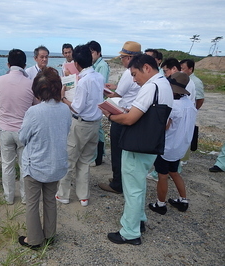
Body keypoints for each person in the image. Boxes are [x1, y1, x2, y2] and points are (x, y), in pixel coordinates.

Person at [100, 54, 173, 245]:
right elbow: (165, 123)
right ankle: (139, 220)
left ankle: (130, 232)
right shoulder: (165, 84)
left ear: (147, 68)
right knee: (138, 184)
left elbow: (131, 119)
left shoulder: (150, 86)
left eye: (134, 74)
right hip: (150, 145)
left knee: (132, 188)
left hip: (137, 145)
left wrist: (111, 115)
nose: (133, 79)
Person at [18, 67, 71, 250]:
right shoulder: (65, 109)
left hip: (36, 165)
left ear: (38, 90)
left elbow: (23, 137)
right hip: (56, 163)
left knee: (32, 204)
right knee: (50, 201)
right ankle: (49, 236)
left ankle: (33, 239)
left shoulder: (34, 112)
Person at [56, 44, 104, 207]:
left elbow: (77, 107)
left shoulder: (84, 82)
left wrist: (63, 98)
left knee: (69, 159)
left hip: (81, 124)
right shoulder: (98, 77)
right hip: (95, 124)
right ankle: (83, 196)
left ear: (76, 63)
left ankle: (63, 194)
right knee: (85, 161)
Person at [148, 72, 197, 215]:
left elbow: (166, 126)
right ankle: (183, 200)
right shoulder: (189, 102)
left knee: (162, 175)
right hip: (181, 145)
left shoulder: (173, 105)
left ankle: (160, 204)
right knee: (174, 172)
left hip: (167, 146)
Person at [0, 49, 38, 205]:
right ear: (25, 65)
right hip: (23, 130)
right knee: (24, 165)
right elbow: (35, 104)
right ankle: (26, 197)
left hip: (5, 128)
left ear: (8, 64)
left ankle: (9, 197)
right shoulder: (31, 83)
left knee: (7, 165)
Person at [98, 41, 142, 194]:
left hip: (122, 114)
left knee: (117, 150)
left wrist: (103, 92)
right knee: (126, 152)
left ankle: (117, 183)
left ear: (130, 57)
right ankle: (121, 178)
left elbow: (118, 95)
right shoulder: (141, 71)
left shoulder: (128, 73)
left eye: (123, 57)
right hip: (134, 114)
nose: (122, 60)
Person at [87, 40, 110, 166]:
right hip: (96, 102)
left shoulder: (102, 66)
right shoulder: (96, 64)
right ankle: (98, 156)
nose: (90, 55)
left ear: (98, 52)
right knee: (98, 129)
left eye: (92, 52)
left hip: (98, 102)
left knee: (98, 130)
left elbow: (100, 85)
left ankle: (98, 157)